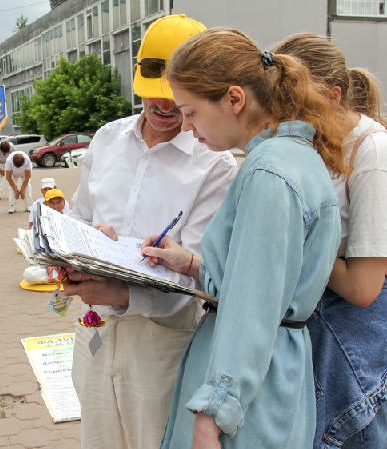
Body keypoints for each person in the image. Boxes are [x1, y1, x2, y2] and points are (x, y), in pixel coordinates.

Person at [137, 28, 348, 448]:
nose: (188, 126)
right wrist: (193, 263)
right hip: (272, 370)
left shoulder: (269, 173)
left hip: (249, 389)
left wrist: (215, 410)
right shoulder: (289, 158)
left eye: (192, 112)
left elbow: (252, 307)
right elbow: (262, 279)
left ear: (235, 99)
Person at [62, 15, 237, 449]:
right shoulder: (107, 138)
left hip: (159, 344)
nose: (162, 110)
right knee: (97, 439)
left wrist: (122, 294)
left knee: (154, 440)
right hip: (95, 329)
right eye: (152, 97)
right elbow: (80, 215)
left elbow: (198, 273)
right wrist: (80, 244)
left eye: (176, 102)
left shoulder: (214, 163)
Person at [273, 33, 387, 449]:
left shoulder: (374, 155)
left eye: (294, 106)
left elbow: (362, 288)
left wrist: (299, 238)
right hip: (320, 319)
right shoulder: (322, 144)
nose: (282, 120)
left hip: (351, 329)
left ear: (334, 96)